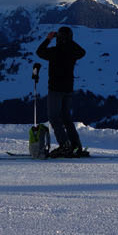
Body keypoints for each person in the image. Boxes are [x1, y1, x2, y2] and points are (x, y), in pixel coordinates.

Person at [34, 26, 88, 158]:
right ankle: (76, 146)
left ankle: (64, 146)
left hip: (55, 89)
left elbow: (39, 52)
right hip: (68, 89)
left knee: (54, 117)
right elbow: (82, 52)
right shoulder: (73, 52)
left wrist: (48, 39)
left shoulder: (54, 51)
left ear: (59, 38)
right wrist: (69, 41)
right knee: (66, 118)